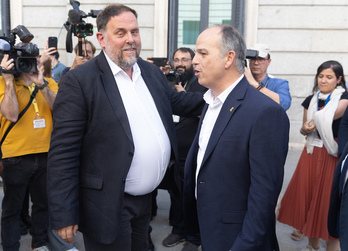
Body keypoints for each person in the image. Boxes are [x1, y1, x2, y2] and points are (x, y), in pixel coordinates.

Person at [46, 4, 204, 251]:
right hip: (106, 203)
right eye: (120, 33)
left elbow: (178, 102)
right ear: (101, 38)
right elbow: (63, 154)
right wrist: (63, 214)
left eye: (135, 32)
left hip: (146, 202)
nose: (131, 40)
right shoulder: (80, 81)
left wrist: (223, 92)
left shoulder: (150, 72)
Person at [183, 25, 290, 251]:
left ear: (228, 58)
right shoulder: (210, 102)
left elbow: (264, 196)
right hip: (208, 230)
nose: (194, 60)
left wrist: (244, 245)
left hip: (238, 239)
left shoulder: (265, 112)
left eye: (203, 53)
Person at [278, 60, 348, 251]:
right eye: (321, 76)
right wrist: (304, 128)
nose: (323, 80)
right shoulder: (311, 99)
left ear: (339, 79)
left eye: (329, 77)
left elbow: (327, 117)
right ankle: (312, 245)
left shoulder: (344, 98)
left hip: (332, 153)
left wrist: (313, 122)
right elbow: (305, 129)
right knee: (308, 198)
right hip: (311, 153)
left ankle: (332, 246)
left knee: (327, 202)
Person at [0, 51, 58, 250]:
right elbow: (11, 115)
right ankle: (10, 246)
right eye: (25, 60)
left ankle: (39, 243)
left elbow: (60, 109)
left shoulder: (48, 83)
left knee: (43, 205)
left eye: (35, 58)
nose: (32, 62)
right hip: (15, 157)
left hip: (46, 154)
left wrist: (40, 83)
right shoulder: (3, 84)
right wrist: (8, 81)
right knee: (12, 209)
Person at [160, 47, 206, 251]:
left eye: (185, 60)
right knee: (176, 192)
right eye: (177, 59)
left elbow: (204, 112)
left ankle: (194, 238)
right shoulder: (170, 80)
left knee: (191, 194)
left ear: (193, 62)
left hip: (193, 151)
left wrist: (183, 95)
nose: (180, 63)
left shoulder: (200, 83)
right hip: (174, 150)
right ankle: (178, 230)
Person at [244, 43, 291, 111]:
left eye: (261, 59)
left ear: (269, 62)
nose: (256, 63)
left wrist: (256, 85)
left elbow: (284, 104)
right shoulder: (242, 82)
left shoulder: (279, 84)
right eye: (253, 59)